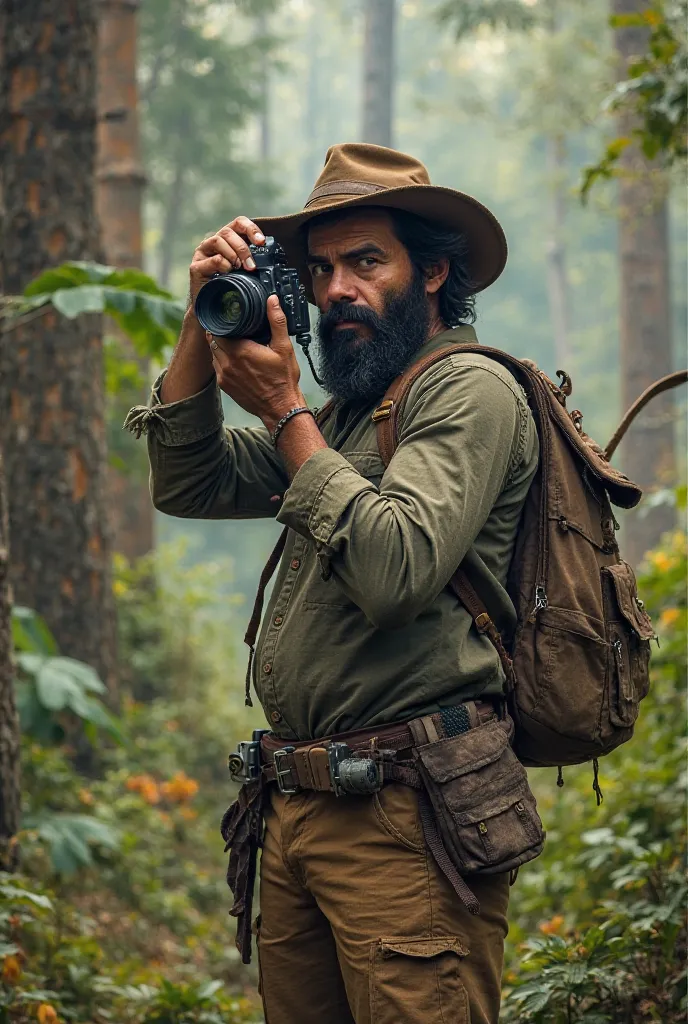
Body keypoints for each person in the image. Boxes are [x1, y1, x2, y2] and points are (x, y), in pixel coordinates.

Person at [128, 143, 539, 1024]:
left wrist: (285, 414)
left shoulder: (468, 390)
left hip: (407, 816)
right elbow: (186, 480)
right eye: (319, 270)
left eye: (365, 262)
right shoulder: (349, 412)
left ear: (432, 272)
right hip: (299, 809)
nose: (336, 289)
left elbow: (395, 570)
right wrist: (202, 323)